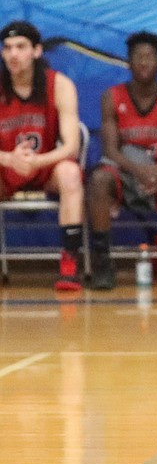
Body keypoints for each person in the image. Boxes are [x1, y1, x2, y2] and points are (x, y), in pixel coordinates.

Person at [85, 31, 157, 290]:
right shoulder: (112, 96)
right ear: (129, 61)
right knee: (98, 179)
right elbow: (110, 150)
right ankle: (102, 263)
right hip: (126, 174)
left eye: (149, 57)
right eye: (138, 57)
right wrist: (140, 171)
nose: (144, 62)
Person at [0, 21, 85, 291]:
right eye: (8, 48)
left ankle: (69, 265)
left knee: (71, 173)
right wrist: (8, 159)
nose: (13, 54)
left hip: (45, 166)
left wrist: (37, 161)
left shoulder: (59, 84)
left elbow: (71, 146)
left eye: (21, 47)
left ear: (37, 51)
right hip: (6, 166)